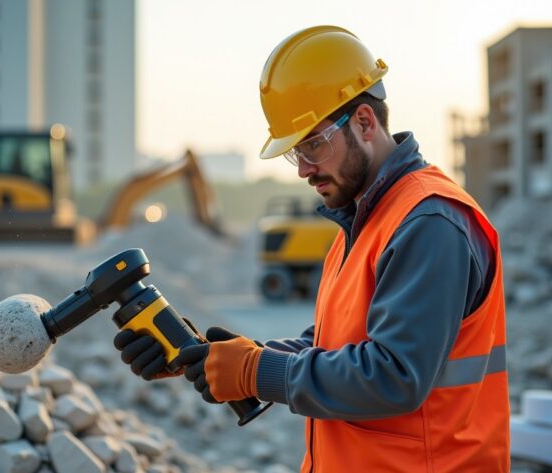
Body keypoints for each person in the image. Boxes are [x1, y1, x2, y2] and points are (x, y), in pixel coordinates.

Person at [114, 26, 510, 472]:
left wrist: (254, 371)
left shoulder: (428, 223)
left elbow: (394, 376)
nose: (303, 169)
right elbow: (332, 345)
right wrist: (212, 358)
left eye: (313, 144)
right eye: (295, 152)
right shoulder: (365, 221)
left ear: (365, 122)